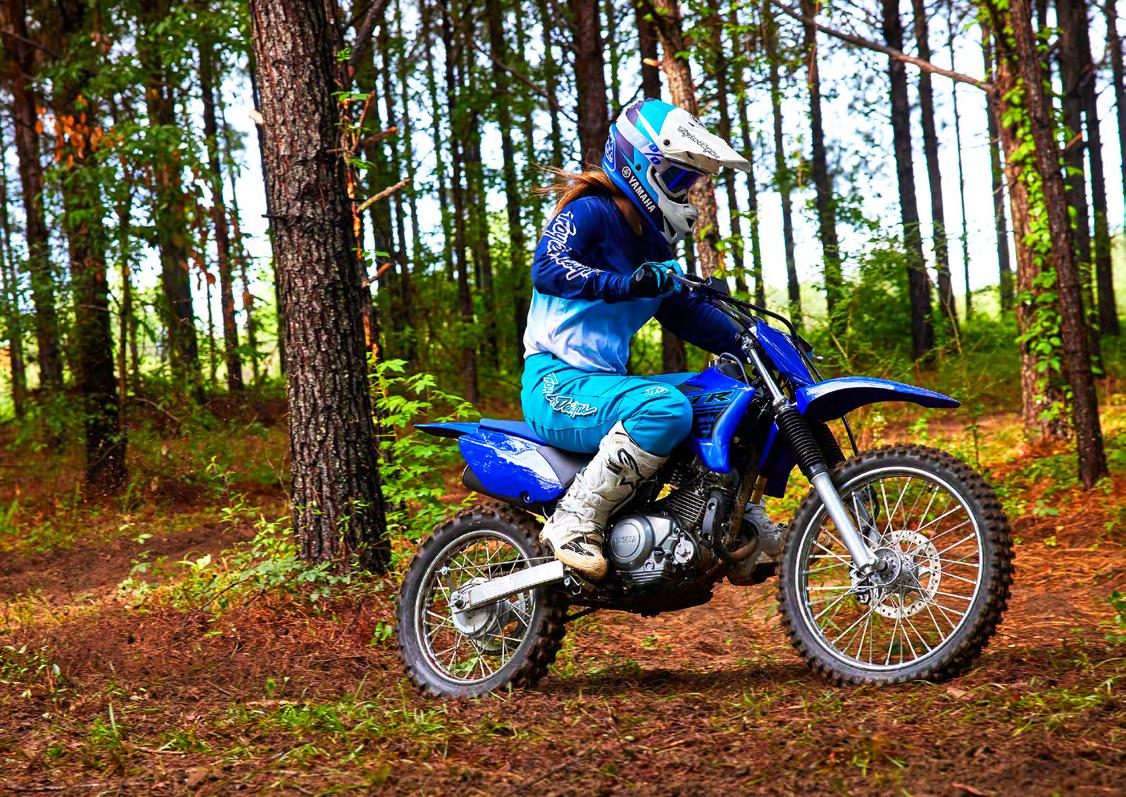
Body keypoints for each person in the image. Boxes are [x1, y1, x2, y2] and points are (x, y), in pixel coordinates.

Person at [522, 98, 762, 580]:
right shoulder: (590, 213)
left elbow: (689, 316)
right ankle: (575, 518)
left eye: (690, 183)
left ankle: (734, 522)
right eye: (678, 179)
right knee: (665, 408)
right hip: (555, 385)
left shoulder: (654, 249)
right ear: (640, 166)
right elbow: (547, 267)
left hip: (600, 386)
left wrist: (757, 341)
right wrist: (624, 284)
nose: (685, 193)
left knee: (728, 396)